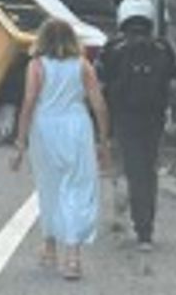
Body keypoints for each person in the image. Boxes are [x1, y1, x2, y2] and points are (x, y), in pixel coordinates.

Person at [11, 19, 113, 280]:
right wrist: (103, 140)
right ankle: (73, 258)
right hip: (77, 127)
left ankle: (49, 247)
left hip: (45, 128)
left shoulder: (36, 66)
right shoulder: (82, 65)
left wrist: (20, 142)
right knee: (78, 189)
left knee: (50, 187)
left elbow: (30, 101)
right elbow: (99, 104)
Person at [96, 0, 176, 252]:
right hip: (154, 117)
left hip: (125, 116)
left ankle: (137, 223)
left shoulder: (112, 48)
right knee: (148, 168)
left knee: (133, 169)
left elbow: (100, 80)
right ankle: (147, 228)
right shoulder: (163, 48)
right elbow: (174, 79)